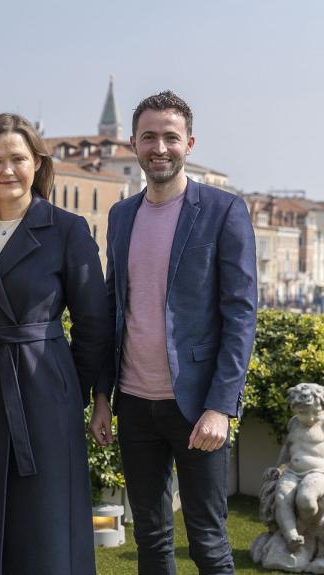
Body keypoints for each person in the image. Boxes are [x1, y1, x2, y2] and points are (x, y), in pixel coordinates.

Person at [91, 90, 257, 574]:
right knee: (150, 537)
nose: (159, 147)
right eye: (149, 137)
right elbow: (110, 308)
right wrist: (102, 395)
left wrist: (221, 406)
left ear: (189, 142)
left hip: (198, 405)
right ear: (133, 144)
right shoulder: (121, 216)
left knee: (208, 539)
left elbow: (241, 314)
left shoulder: (225, 210)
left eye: (169, 137)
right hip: (135, 404)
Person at [0, 113, 111, 574]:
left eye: (17, 158)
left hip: (45, 394)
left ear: (37, 163)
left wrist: (69, 387)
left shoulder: (67, 229)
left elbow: (94, 324)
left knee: (43, 525)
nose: (6, 170)